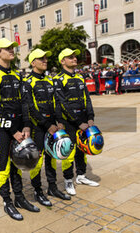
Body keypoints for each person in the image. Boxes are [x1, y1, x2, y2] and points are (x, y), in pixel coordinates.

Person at [0, 38, 39, 221]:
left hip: (19, 127)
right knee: (3, 165)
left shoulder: (18, 76)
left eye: (12, 48)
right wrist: (12, 131)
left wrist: (26, 126)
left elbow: (25, 103)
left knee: (18, 163)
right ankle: (7, 201)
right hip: (4, 130)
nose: (11, 50)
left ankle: (20, 198)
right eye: (7, 48)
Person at [24, 49, 72, 207]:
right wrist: (47, 125)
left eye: (46, 58)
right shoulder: (27, 81)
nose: (45, 60)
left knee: (52, 157)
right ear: (33, 62)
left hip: (53, 126)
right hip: (38, 128)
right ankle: (37, 191)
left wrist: (59, 121)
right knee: (37, 161)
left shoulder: (50, 80)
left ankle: (52, 187)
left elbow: (56, 103)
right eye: (41, 58)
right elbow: (31, 108)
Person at [53, 48, 99, 196]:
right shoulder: (58, 79)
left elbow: (87, 99)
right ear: (62, 61)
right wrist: (78, 122)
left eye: (74, 56)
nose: (74, 59)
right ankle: (68, 180)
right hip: (69, 122)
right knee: (69, 151)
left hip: (84, 120)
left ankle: (81, 176)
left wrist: (90, 117)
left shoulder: (80, 78)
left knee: (82, 149)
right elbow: (62, 104)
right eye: (70, 57)